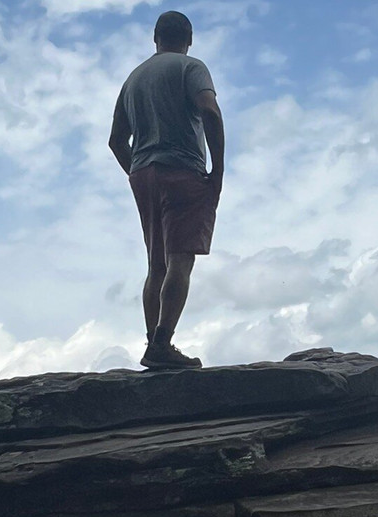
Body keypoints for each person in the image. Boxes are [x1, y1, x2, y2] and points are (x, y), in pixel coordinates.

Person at [109, 10, 224, 370]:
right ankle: (163, 342)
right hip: (183, 169)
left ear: (154, 37)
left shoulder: (134, 79)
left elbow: (116, 141)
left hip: (143, 172)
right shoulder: (191, 68)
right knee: (180, 259)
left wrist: (138, 172)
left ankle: (152, 345)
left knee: (155, 263)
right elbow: (210, 112)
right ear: (189, 39)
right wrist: (217, 170)